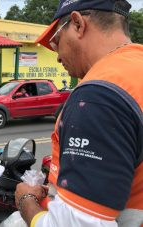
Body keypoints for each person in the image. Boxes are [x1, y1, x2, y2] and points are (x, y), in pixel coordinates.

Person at [15, 1, 143, 227]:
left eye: (55, 42)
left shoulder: (98, 95)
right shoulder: (135, 70)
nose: (56, 56)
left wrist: (26, 201)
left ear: (77, 24)